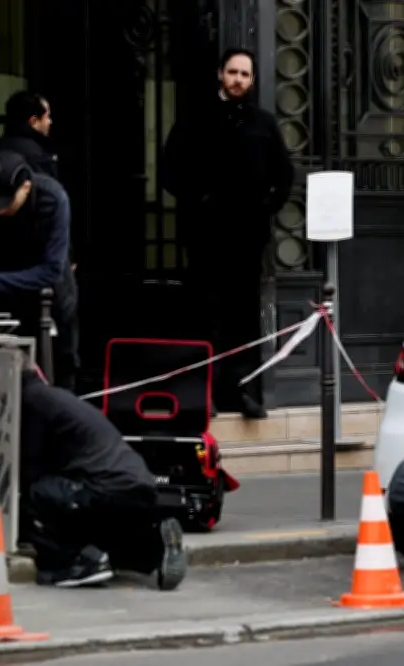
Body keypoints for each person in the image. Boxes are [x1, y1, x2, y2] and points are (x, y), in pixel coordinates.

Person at [162, 48, 293, 420]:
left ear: (252, 80)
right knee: (205, 315)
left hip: (247, 241)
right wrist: (201, 202)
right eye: (232, 72)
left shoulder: (263, 123)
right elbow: (170, 171)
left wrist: (263, 208)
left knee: (242, 319)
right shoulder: (195, 119)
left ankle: (239, 391)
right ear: (220, 73)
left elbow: (284, 175)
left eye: (245, 74)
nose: (238, 80)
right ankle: (203, 392)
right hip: (205, 239)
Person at [18, 366, 187, 590]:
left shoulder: (32, 401)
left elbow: (30, 469)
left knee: (35, 497)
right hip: (140, 487)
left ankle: (77, 563)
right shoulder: (59, 400)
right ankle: (157, 546)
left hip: (105, 488)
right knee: (109, 541)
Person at [0, 150, 79, 390]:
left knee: (58, 370)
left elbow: (51, 269)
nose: (0, 211)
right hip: (3, 290)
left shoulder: (53, 198)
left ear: (25, 187)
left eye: (6, 204)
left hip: (47, 289)